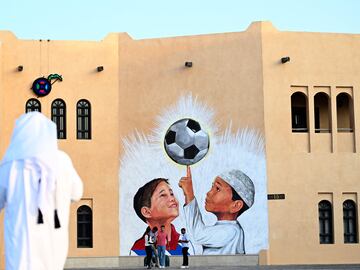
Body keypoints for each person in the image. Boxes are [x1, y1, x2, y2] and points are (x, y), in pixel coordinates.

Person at [0, 112, 83, 270]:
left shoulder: (10, 166)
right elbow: (77, 192)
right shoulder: (62, 161)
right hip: (53, 246)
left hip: (21, 250)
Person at [179, 166, 254, 255]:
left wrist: (189, 194)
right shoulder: (227, 228)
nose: (209, 193)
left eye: (217, 189)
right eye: (212, 187)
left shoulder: (231, 231)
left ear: (236, 206)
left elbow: (198, 234)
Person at [131, 178, 182, 256]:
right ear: (147, 212)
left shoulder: (187, 242)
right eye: (163, 195)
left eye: (171, 194)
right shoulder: (138, 250)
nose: (172, 198)